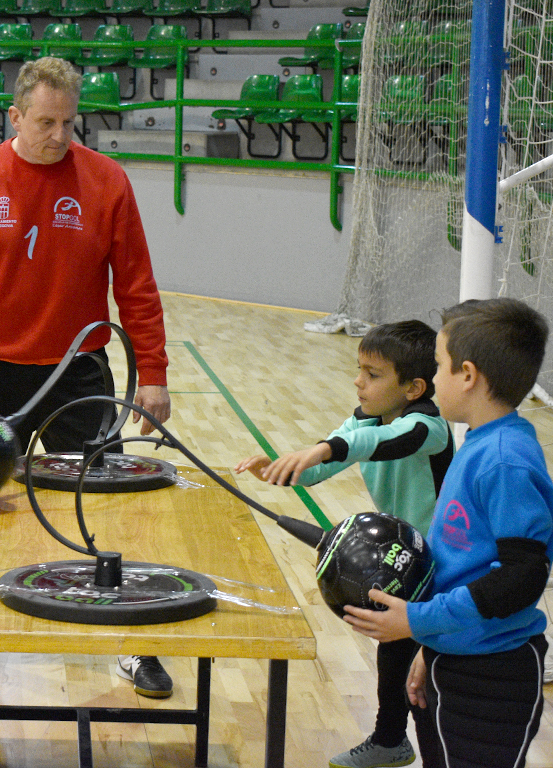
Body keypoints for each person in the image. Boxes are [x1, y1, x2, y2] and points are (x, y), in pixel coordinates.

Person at [0, 56, 174, 698]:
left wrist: (153, 372)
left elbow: (137, 286)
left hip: (79, 372)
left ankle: (132, 642)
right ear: (14, 116)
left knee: (101, 505)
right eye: (44, 121)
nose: (59, 135)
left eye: (69, 122)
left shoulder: (108, 182)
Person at [236, 319, 455, 768]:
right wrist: (281, 468)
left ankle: (435, 750)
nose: (358, 382)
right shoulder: (365, 418)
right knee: (394, 656)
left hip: (442, 564)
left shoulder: (428, 428)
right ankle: (390, 741)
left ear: (414, 388)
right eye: (359, 370)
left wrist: (323, 448)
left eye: (373, 375)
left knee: (427, 670)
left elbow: (374, 444)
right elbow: (334, 458)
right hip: (402, 562)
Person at [344, 298, 553, 768]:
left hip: (492, 678)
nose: (434, 380)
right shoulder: (481, 443)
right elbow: (465, 562)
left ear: (468, 375)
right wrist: (432, 649)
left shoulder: (505, 459)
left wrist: (419, 622)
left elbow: (521, 579)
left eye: (439, 366)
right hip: (456, 660)